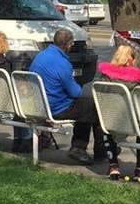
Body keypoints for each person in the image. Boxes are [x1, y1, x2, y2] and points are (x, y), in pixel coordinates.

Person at [29, 28, 119, 171]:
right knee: (96, 108)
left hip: (40, 103)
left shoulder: (41, 56)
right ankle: (97, 150)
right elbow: (75, 92)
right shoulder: (63, 63)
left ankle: (80, 147)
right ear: (68, 45)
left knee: (85, 108)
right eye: (71, 44)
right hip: (57, 108)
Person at [98, 44, 140, 181]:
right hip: (133, 124)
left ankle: (113, 166)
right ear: (132, 60)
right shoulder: (139, 79)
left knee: (106, 123)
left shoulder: (105, 76)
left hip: (111, 122)